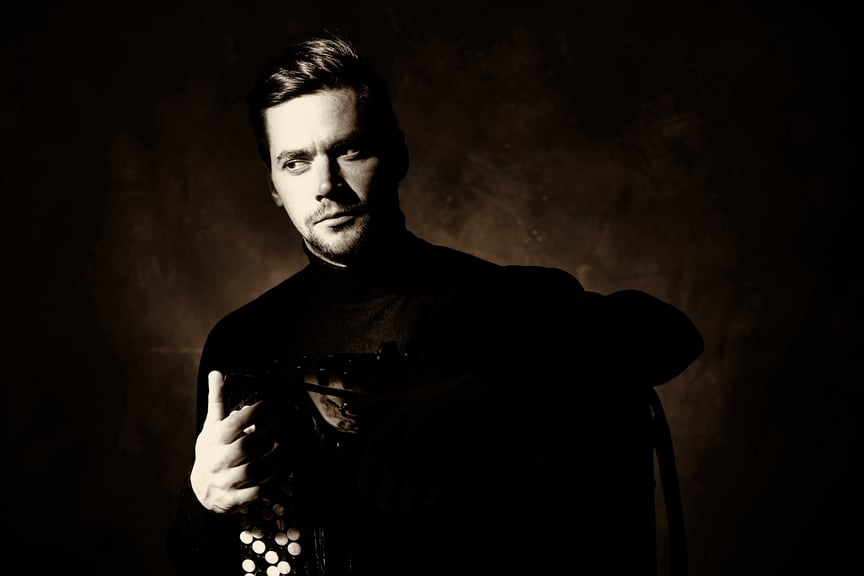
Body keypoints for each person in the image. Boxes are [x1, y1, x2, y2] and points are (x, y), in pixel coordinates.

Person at [165, 34, 704, 576]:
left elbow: (670, 334)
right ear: (274, 187)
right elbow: (197, 567)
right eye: (296, 163)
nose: (326, 185)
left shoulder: (507, 301)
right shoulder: (243, 343)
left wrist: (484, 396)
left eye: (349, 150)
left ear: (397, 155)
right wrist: (203, 502)